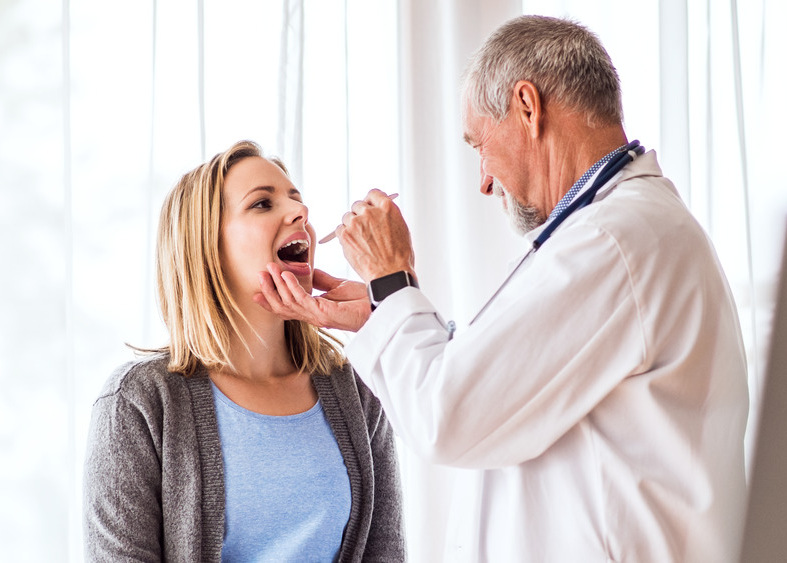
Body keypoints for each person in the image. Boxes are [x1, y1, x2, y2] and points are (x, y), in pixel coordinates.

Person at [256, 15, 750, 563]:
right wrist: (381, 314)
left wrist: (392, 280)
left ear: (527, 106)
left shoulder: (617, 240)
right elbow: (511, 384)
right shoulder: (617, 233)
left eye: (479, 146)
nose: (485, 180)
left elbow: (450, 418)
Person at [82, 140, 405, 562]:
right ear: (206, 246)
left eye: (296, 200)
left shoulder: (356, 392)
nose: (300, 214)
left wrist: (391, 311)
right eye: (261, 204)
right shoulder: (137, 403)